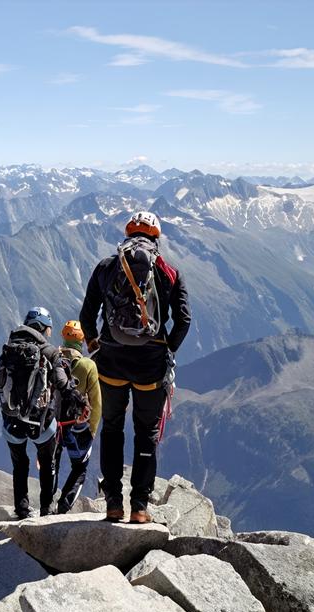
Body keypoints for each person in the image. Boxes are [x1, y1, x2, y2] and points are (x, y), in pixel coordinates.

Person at [78, 211, 190, 523]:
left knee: (112, 429)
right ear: (157, 237)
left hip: (111, 363)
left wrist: (96, 346)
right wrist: (167, 348)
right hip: (150, 367)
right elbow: (183, 320)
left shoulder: (107, 266)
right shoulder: (169, 272)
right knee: (146, 434)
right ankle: (140, 507)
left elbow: (87, 316)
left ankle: (113, 501)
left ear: (128, 235)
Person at [0, 307, 80, 519]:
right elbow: (62, 383)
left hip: (12, 421)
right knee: (48, 464)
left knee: (20, 464)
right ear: (43, 328)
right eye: (49, 328)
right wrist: (78, 401)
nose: (50, 332)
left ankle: (22, 509)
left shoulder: (7, 352)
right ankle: (45, 509)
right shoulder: (50, 352)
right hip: (42, 422)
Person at [54, 320, 101, 514]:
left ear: (64, 337)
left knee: (52, 464)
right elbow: (96, 401)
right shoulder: (88, 365)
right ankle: (64, 505)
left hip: (53, 424)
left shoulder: (52, 359)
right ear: (81, 341)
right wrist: (92, 429)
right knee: (80, 467)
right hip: (77, 427)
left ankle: (47, 503)